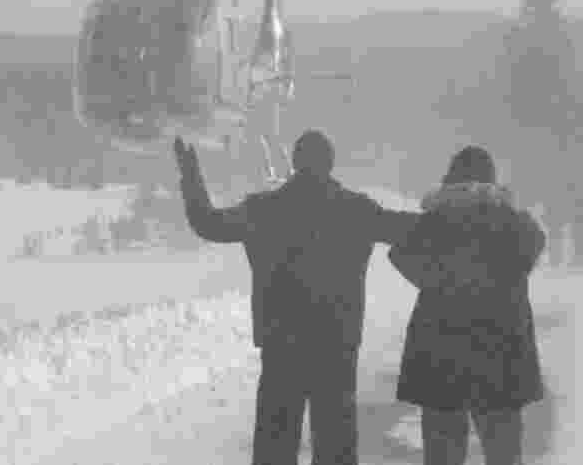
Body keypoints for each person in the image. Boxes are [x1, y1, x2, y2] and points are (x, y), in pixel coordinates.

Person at [173, 130, 421, 465]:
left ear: (295, 162)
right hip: (337, 345)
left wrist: (190, 175)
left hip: (281, 345)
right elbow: (409, 228)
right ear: (331, 164)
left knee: (274, 447)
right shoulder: (356, 209)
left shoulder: (262, 209)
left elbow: (208, 223)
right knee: (336, 447)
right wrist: (460, 209)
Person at [387, 146, 546, 465]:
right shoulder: (511, 222)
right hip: (502, 354)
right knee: (503, 453)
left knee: (443, 454)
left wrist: (435, 279)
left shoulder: (434, 221)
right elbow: (533, 242)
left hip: (440, 355)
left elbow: (400, 253)